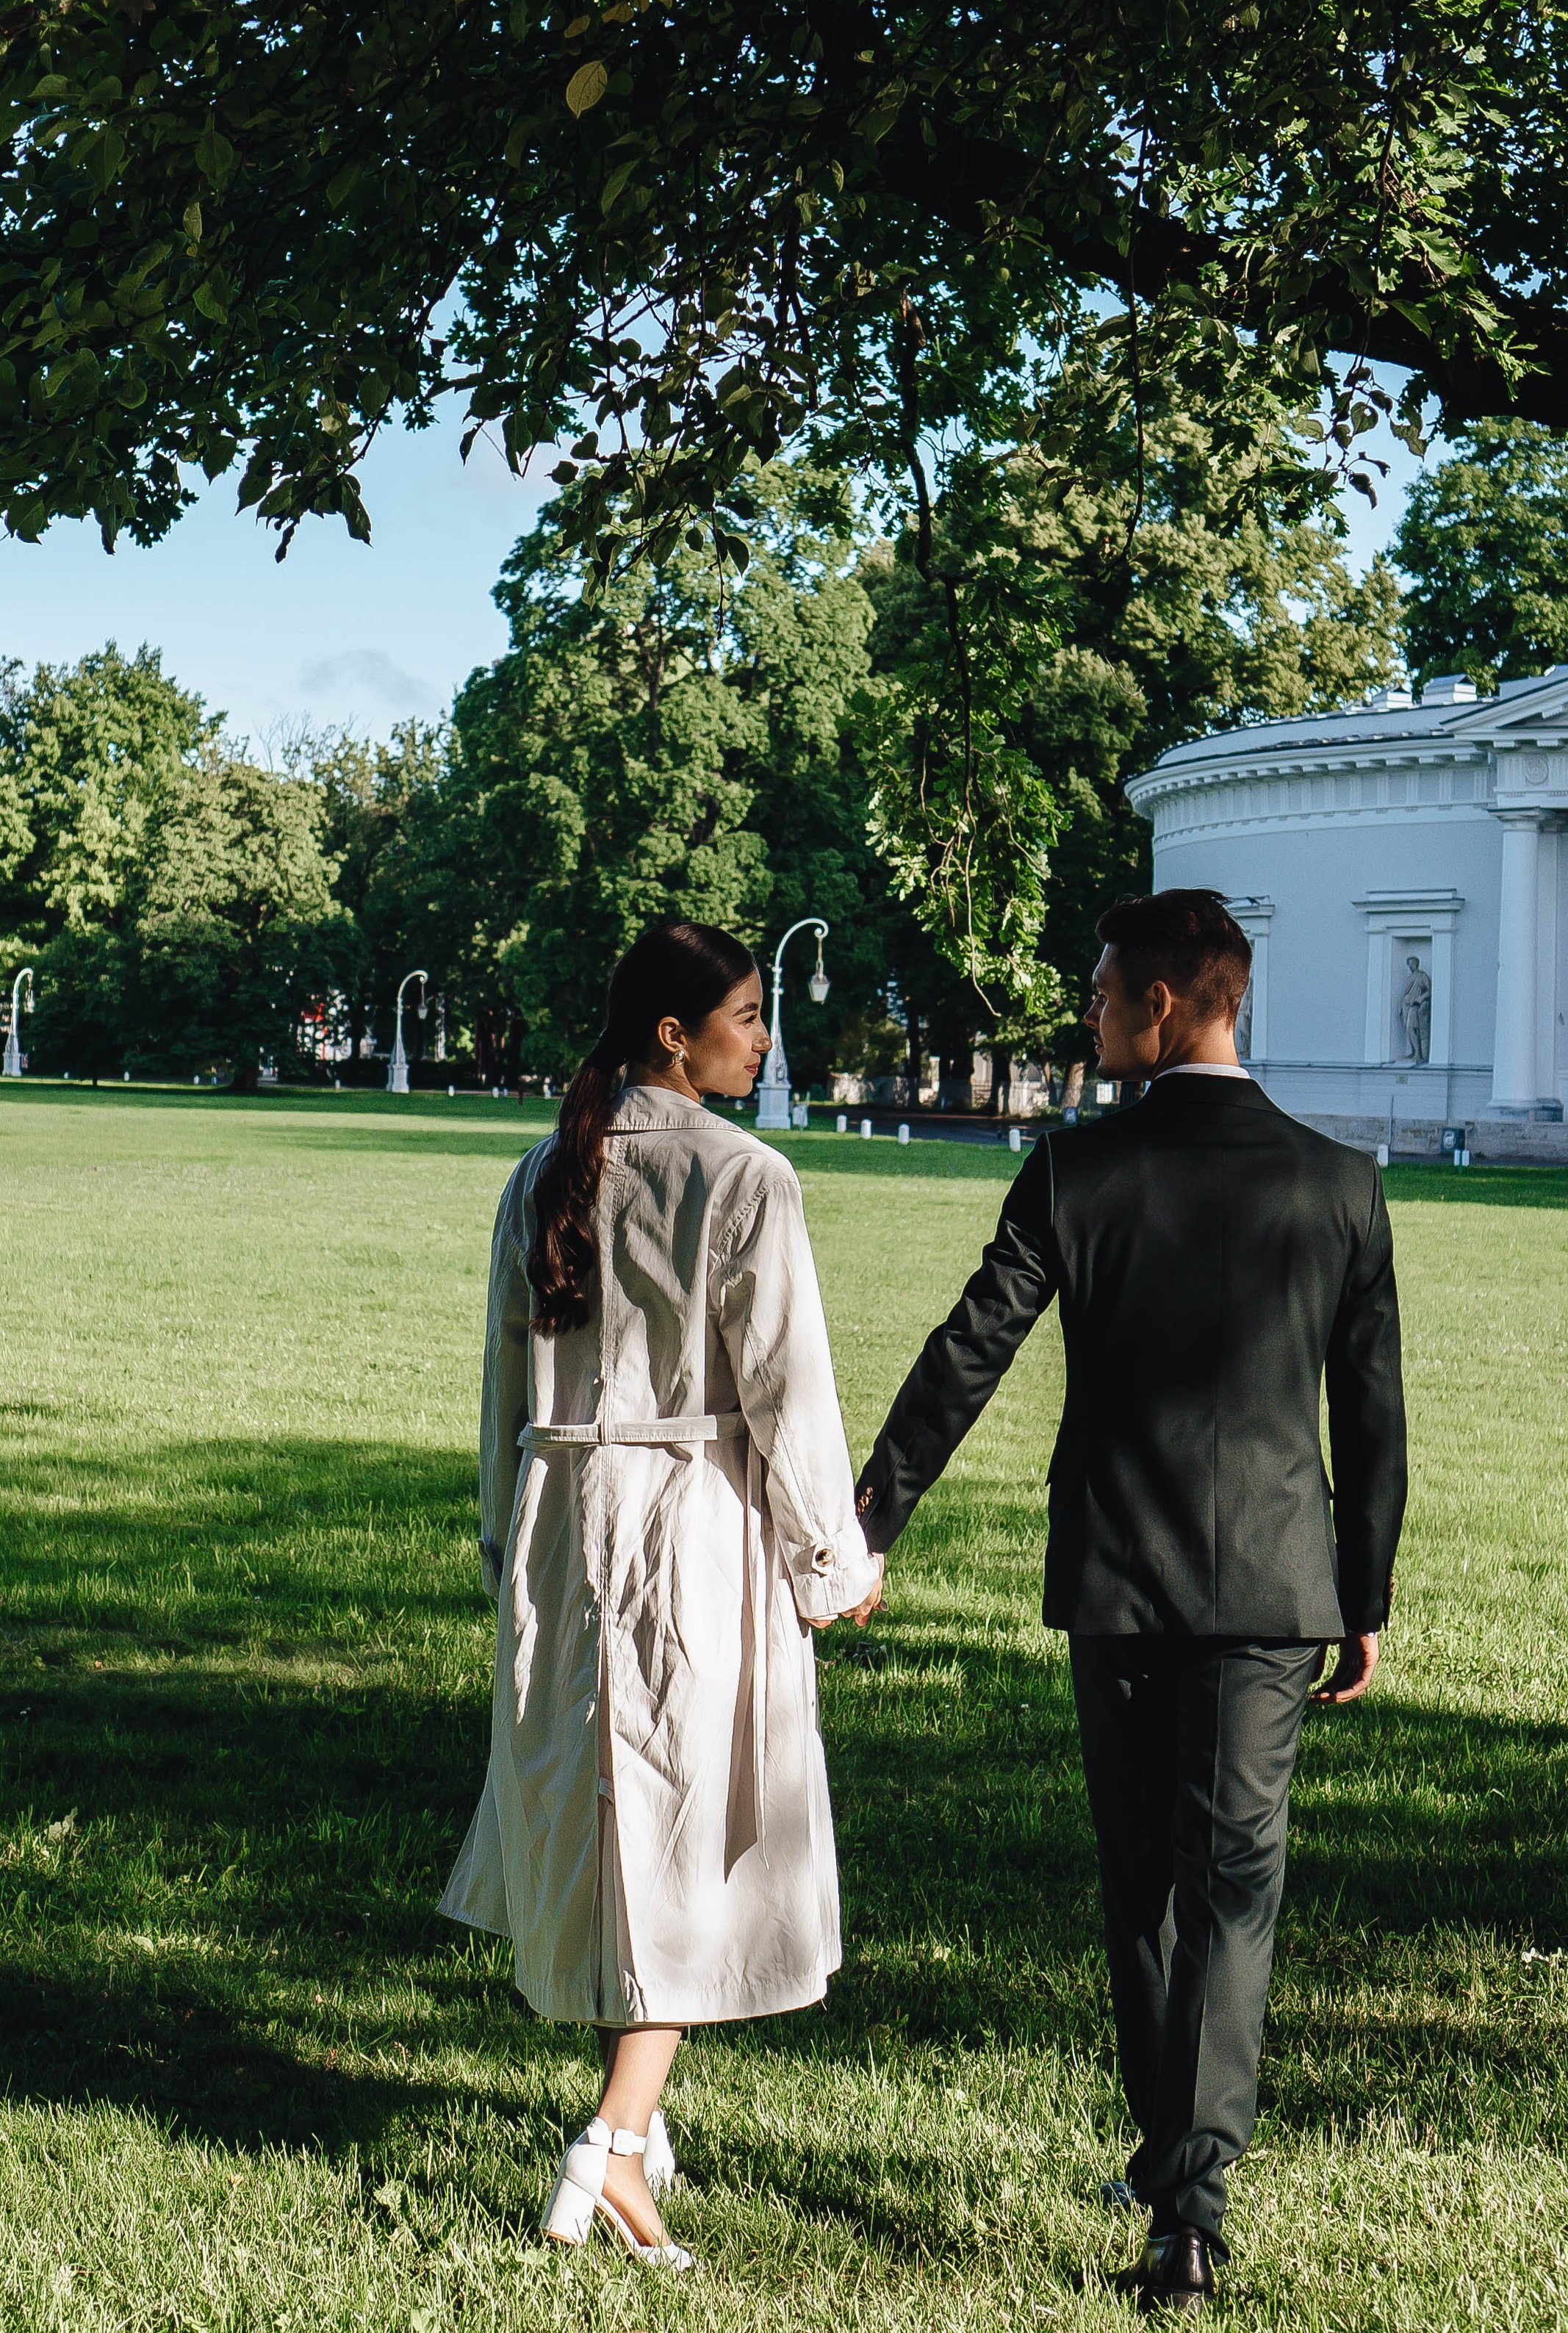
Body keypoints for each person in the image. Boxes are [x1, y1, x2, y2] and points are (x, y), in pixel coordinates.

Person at [854, 888, 1406, 2316]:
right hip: (1278, 1589)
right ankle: (1188, 2198)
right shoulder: (1338, 1183)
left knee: (1144, 1892)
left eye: (1102, 993)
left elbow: (965, 1349)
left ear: (1165, 1004)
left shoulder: (1072, 1170)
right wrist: (1366, 1594)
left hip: (1115, 1577)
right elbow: (1370, 1414)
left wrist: (870, 1518)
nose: (1088, 1015)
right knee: (1233, 1889)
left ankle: (1174, 2172)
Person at [439, 918, 884, 2268]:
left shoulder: (544, 1171)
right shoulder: (745, 1177)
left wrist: (498, 1542)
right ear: (675, 1035)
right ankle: (618, 2141)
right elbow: (787, 1393)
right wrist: (832, 1561)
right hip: (696, 1524)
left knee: (604, 1801)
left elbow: (505, 1397)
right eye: (747, 1015)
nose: (765, 1036)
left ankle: (641, 2114)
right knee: (685, 1826)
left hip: (565, 1515)